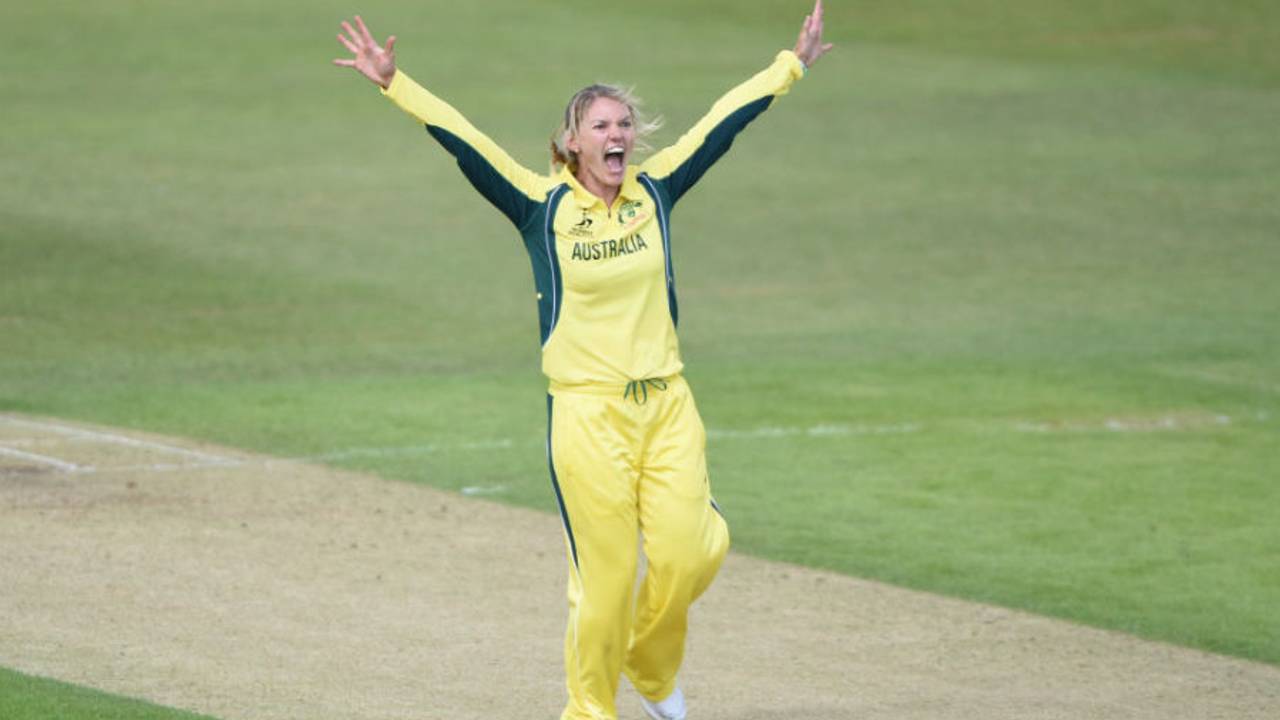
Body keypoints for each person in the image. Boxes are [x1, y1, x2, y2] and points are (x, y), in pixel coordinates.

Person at [334, 4, 832, 718]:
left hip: (666, 405)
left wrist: (791, 65)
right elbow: (464, 141)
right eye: (600, 125)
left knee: (693, 552)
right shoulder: (541, 206)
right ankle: (589, 711)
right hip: (585, 413)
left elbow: (722, 125)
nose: (617, 134)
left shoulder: (654, 193)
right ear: (571, 142)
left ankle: (652, 667)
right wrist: (394, 83)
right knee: (603, 585)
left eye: (623, 123)